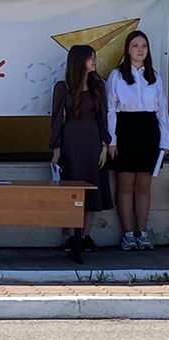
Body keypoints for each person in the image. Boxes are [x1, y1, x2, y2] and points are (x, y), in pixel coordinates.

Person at [107, 31, 169, 250]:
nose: (140, 50)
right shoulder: (117, 76)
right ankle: (127, 233)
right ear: (127, 49)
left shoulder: (155, 76)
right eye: (135, 45)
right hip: (125, 131)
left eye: (144, 45)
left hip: (149, 132)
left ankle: (142, 232)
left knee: (143, 185)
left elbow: (162, 111)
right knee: (125, 185)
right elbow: (110, 110)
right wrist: (111, 140)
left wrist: (165, 142)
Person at [50, 45, 113, 252]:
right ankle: (72, 235)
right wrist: (56, 148)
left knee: (92, 186)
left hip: (93, 142)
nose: (94, 61)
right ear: (79, 61)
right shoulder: (63, 87)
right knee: (72, 187)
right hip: (71, 142)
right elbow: (57, 119)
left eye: (94, 57)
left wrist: (104, 145)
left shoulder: (98, 86)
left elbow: (103, 117)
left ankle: (86, 235)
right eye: (90, 58)